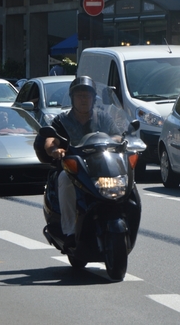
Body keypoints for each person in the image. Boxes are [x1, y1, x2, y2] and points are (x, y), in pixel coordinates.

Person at [42, 76, 122, 247]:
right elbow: (51, 140)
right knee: (64, 179)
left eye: (87, 96)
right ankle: (70, 232)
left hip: (101, 165)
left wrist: (118, 141)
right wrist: (55, 150)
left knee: (125, 178)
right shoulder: (62, 120)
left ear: (93, 98)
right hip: (74, 167)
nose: (83, 99)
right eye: (79, 96)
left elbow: (117, 135)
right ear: (72, 98)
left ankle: (124, 214)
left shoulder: (103, 118)